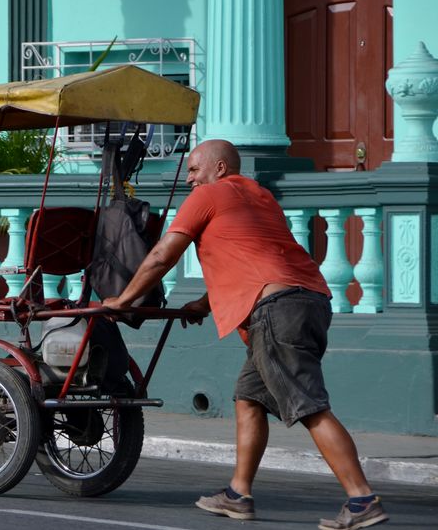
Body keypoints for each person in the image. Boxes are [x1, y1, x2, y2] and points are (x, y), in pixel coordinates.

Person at [100, 139, 388, 530]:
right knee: (249, 398)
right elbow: (250, 256)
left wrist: (125, 300)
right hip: (309, 300)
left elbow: (162, 255)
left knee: (308, 406)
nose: (189, 179)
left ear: (219, 169)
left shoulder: (210, 194)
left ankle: (361, 499)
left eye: (194, 170)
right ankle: (238, 494)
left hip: (276, 310)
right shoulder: (259, 197)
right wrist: (202, 305)